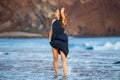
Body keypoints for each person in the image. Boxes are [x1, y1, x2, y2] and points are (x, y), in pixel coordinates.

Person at [48, 7, 69, 77]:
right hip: (54, 40)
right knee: (55, 57)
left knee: (63, 58)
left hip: (62, 40)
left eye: (56, 12)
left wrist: (62, 12)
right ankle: (56, 74)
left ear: (59, 14)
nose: (55, 13)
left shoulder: (62, 21)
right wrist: (49, 38)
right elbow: (51, 30)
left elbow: (63, 17)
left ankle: (65, 74)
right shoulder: (53, 21)